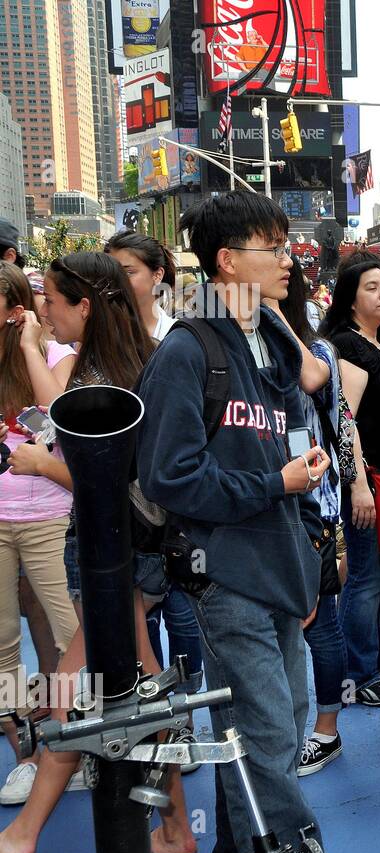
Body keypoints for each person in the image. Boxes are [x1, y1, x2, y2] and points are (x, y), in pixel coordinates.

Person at [134, 192, 329, 853]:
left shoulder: (267, 340)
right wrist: (278, 484)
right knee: (267, 732)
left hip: (279, 571)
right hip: (226, 576)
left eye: (285, 244)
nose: (287, 258)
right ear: (225, 260)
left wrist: (302, 549)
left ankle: (247, 850)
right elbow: (170, 476)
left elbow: (293, 432)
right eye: (271, 247)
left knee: (272, 729)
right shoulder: (187, 350)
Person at [0, 251, 197, 853]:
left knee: (76, 692)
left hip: (115, 549)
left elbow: (71, 439)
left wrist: (31, 347)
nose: (43, 312)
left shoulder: (105, 373)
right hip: (117, 549)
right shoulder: (124, 359)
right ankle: (172, 828)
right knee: (133, 684)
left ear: (84, 306)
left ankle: (25, 835)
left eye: (52, 302)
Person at [105, 230, 206, 703]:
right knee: (135, 626)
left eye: (127, 271)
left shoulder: (183, 338)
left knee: (185, 622)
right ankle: (149, 722)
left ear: (158, 275)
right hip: (125, 513)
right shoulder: (99, 341)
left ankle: (183, 716)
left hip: (178, 512)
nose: (118, 283)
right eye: (112, 273)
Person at [320, 254, 380, 709]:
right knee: (364, 578)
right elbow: (344, 422)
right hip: (369, 477)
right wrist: (358, 483)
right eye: (371, 287)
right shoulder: (348, 346)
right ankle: (359, 675)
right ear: (350, 299)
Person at [267, 259, 350, 777]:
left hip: (315, 503)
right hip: (267, 500)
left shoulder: (314, 350)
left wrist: (271, 317)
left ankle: (327, 729)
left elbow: (318, 390)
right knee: (283, 623)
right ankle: (290, 727)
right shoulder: (243, 347)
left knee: (321, 620)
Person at [0, 264, 78, 805]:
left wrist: (31, 346)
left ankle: (78, 743)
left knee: (73, 636)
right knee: (3, 644)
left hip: (52, 516)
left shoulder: (56, 356)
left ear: (16, 307)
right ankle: (24, 753)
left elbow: (58, 416)